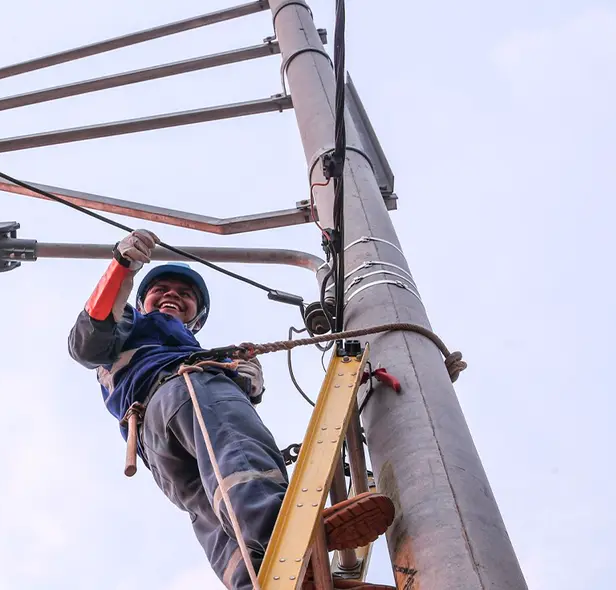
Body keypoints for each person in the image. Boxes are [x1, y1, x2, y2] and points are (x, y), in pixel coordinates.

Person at [68, 229, 397, 590]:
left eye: (185, 295)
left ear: (196, 318)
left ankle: (266, 580)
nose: (172, 296)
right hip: (184, 391)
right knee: (235, 448)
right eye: (162, 290)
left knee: (210, 510)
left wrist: (244, 380)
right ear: (142, 300)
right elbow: (87, 341)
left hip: (153, 444)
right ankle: (283, 532)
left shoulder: (194, 353)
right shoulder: (132, 325)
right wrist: (121, 267)